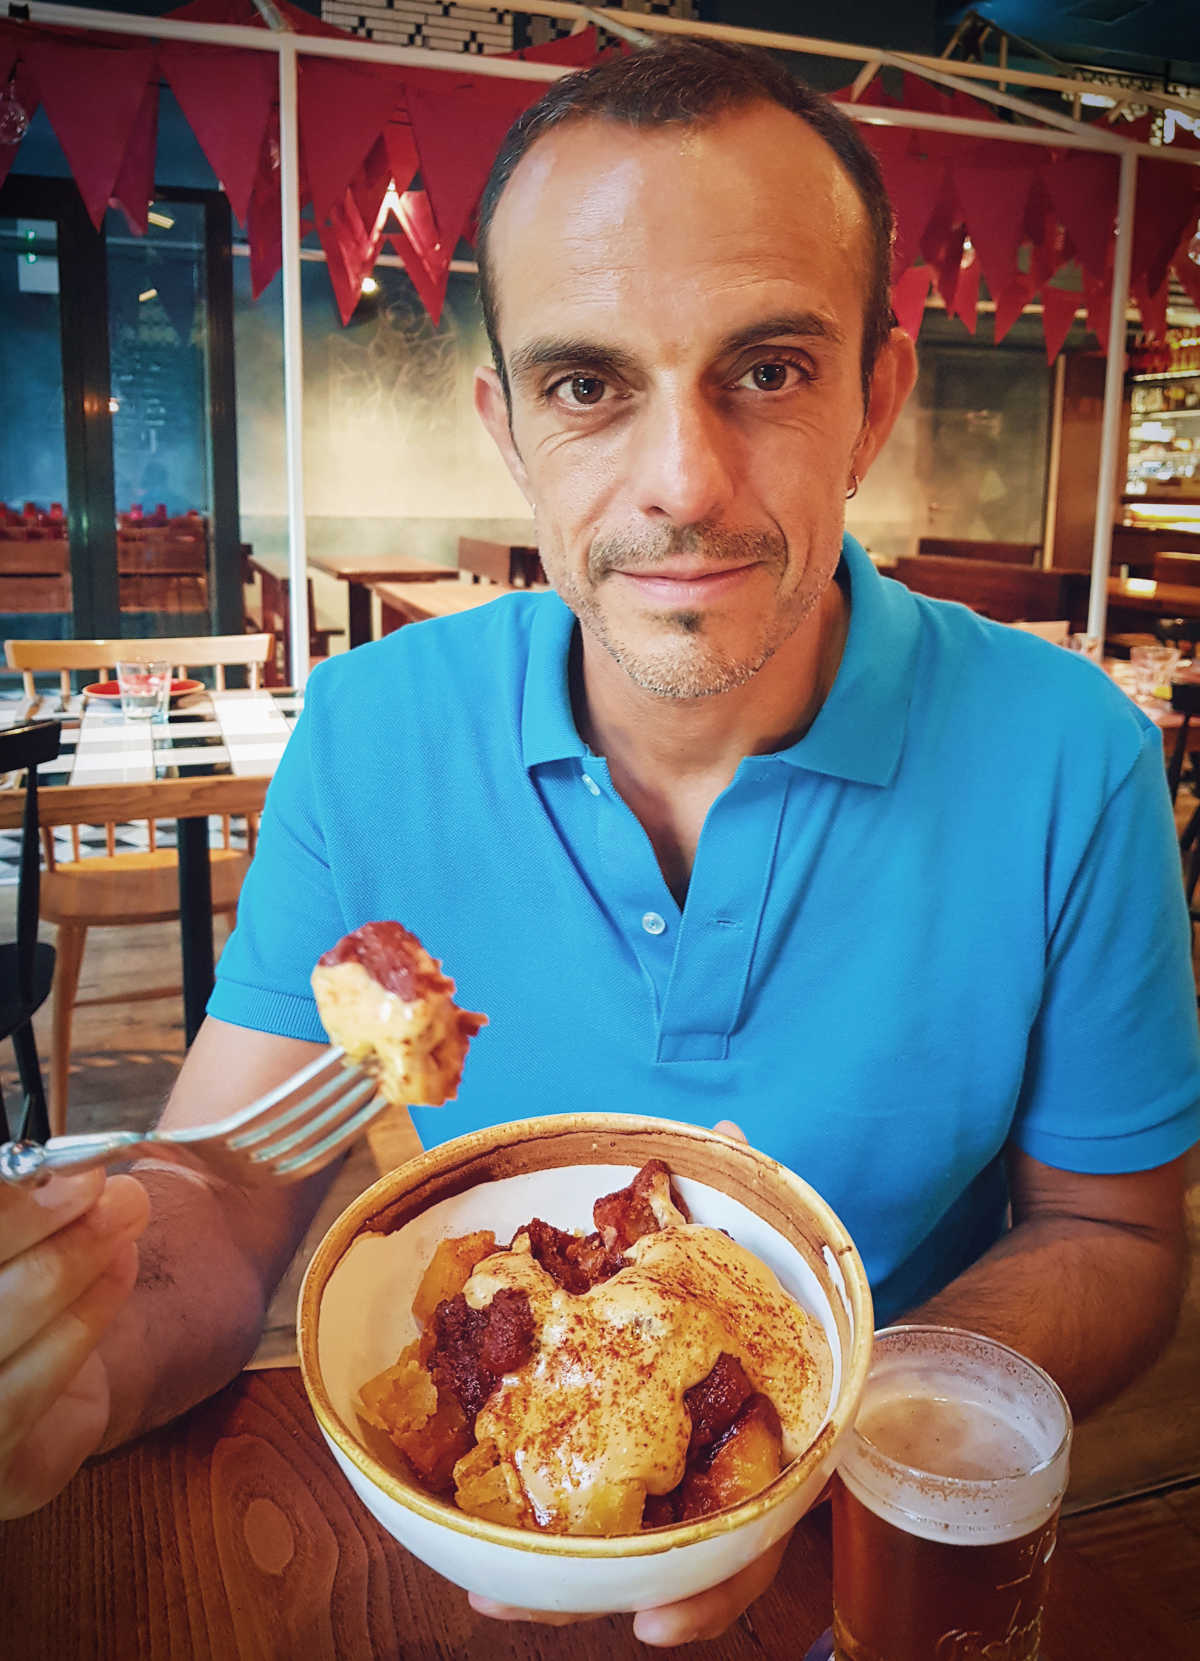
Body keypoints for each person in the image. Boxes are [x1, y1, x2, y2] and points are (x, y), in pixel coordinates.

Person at [3, 39, 1198, 1648]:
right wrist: (72, 1349)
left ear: (878, 399)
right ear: (508, 425)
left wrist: (812, 1438)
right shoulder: (368, 735)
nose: (682, 483)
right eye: (589, 384)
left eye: (768, 370)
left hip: (863, 1573)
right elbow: (218, 1197)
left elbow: (1115, 1235)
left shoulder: (1079, 767)